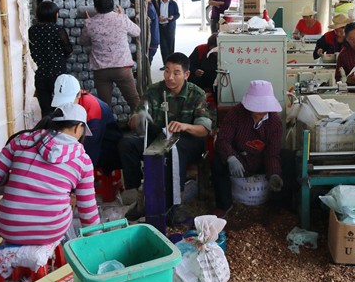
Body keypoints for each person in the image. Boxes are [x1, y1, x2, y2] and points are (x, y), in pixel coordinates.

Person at [0, 102, 100, 245]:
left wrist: (11, 181)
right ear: (77, 127)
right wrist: (97, 240)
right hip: (50, 232)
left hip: (8, 228)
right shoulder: (83, 160)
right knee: (67, 204)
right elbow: (88, 211)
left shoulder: (23, 140)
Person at [118, 52, 214, 222]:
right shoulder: (154, 91)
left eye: (176, 72)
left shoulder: (196, 94)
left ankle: (175, 205)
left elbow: (204, 129)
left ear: (186, 74)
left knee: (173, 152)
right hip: (158, 139)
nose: (170, 77)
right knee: (127, 145)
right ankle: (140, 197)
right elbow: (135, 119)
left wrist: (185, 126)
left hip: (188, 142)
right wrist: (138, 121)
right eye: (167, 71)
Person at [211, 80, 294, 218]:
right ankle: (224, 205)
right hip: (240, 158)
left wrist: (274, 173)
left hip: (262, 160)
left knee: (288, 158)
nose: (260, 111)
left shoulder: (275, 122)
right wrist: (230, 157)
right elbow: (223, 139)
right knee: (217, 162)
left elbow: (272, 153)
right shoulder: (235, 114)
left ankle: (279, 206)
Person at [80, 0, 141, 111]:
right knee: (134, 101)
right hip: (122, 68)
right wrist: (121, 16)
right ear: (113, 4)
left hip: (101, 70)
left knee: (104, 105)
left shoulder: (90, 24)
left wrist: (87, 22)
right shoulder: (121, 19)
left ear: (96, 7)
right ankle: (140, 128)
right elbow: (137, 32)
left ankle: (107, 128)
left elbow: (83, 42)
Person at [51, 74, 124, 169]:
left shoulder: (92, 109)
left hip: (105, 146)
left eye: (69, 101)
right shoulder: (69, 106)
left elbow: (91, 149)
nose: (65, 105)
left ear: (79, 94)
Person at [29, 0, 73, 116]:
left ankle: (46, 131)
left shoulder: (32, 30)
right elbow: (68, 50)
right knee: (61, 107)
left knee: (45, 108)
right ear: (54, 15)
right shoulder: (58, 30)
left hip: (39, 74)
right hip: (57, 73)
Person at [158, 0, 181, 67]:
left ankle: (171, 64)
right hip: (160, 27)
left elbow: (177, 14)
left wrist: (172, 17)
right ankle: (165, 65)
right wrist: (158, 17)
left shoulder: (173, 3)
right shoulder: (157, 3)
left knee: (170, 45)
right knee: (163, 46)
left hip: (170, 27)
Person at [146, 0, 160, 64]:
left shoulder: (149, 8)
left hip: (152, 41)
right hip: (153, 40)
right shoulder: (148, 6)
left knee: (147, 62)